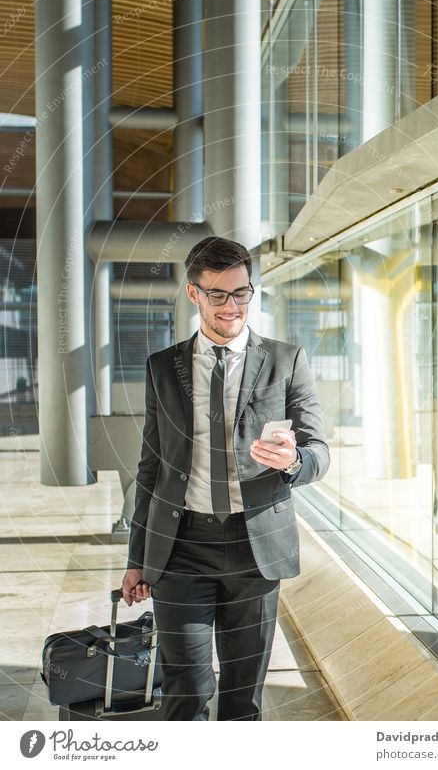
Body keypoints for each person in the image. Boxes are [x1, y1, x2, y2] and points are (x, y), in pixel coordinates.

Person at [121, 236, 330, 720]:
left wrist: (293, 461)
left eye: (241, 293)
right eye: (218, 294)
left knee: (242, 696)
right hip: (181, 545)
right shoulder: (163, 368)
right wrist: (137, 557)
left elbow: (319, 453)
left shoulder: (286, 360)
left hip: (255, 547)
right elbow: (150, 468)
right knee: (186, 690)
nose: (232, 306)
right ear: (193, 293)